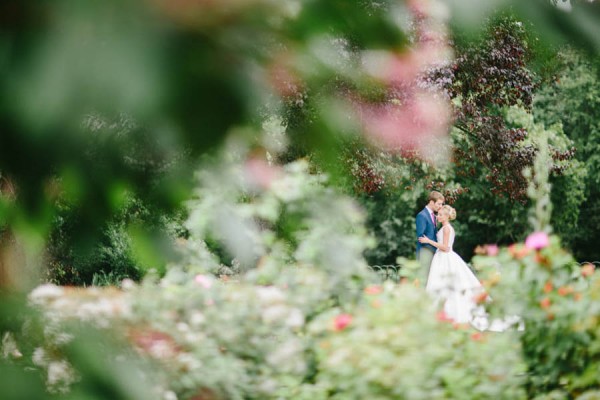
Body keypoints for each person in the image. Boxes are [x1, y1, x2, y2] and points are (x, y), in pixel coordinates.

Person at [419, 205, 488, 329]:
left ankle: (447, 312)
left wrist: (428, 241)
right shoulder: (446, 228)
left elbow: (446, 248)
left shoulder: (446, 229)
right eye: (438, 214)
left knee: (445, 284)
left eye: (440, 214)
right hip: (442, 258)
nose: (438, 216)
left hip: (445, 258)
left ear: (446, 216)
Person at [415, 191, 444, 281]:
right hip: (425, 253)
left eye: (441, 204)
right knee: (424, 280)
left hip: (433, 253)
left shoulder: (433, 216)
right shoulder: (422, 215)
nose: (440, 206)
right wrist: (435, 249)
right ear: (431, 202)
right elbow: (421, 237)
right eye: (439, 204)